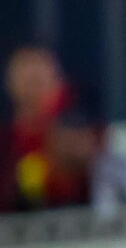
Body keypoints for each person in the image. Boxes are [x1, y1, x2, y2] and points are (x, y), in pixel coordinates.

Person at [5, 42, 97, 211]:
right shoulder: (6, 140)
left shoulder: (78, 126)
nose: (32, 78)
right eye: (25, 70)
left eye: (39, 70)